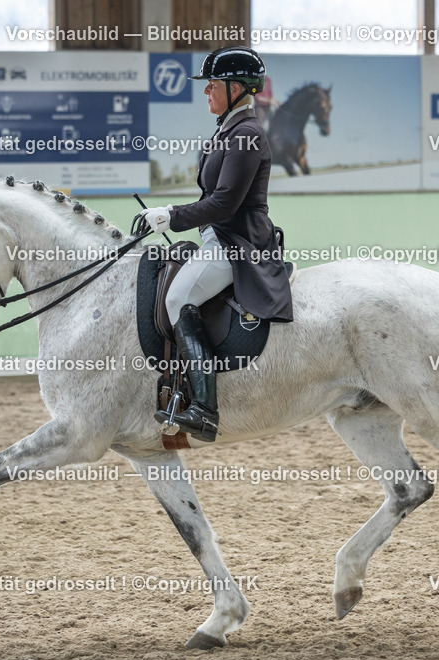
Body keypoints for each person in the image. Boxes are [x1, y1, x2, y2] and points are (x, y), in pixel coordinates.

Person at [139, 46, 293, 443]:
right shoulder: (228, 130)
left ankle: (205, 409)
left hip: (238, 243)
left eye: (213, 84)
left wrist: (170, 215)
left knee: (177, 299)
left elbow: (224, 202)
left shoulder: (247, 135)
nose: (206, 90)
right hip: (218, 237)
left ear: (237, 87)